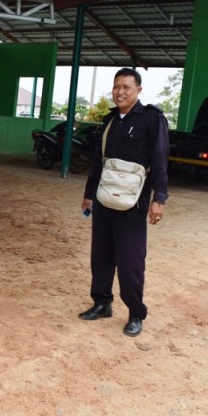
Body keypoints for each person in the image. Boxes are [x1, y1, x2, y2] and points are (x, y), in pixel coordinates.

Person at [79, 67, 169, 337]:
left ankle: (135, 313)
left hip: (134, 202)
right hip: (105, 198)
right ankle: (102, 303)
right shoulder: (109, 121)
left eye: (126, 87)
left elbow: (160, 161)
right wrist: (88, 194)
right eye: (116, 86)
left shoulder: (152, 119)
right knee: (102, 254)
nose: (120, 91)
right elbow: (99, 163)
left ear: (138, 90)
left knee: (131, 259)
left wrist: (159, 199)